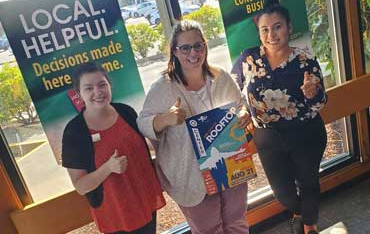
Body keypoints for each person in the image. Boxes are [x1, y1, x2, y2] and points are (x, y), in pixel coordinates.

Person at [137, 20, 250, 234]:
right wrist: (165, 119)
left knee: (236, 221)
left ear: (205, 46)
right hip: (190, 175)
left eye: (198, 45)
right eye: (185, 48)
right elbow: (143, 123)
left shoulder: (220, 77)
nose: (193, 53)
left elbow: (240, 105)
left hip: (229, 164)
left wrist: (243, 114)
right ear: (174, 51)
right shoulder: (163, 86)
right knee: (208, 229)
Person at [231, 0, 328, 234]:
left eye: (277, 27)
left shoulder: (305, 61)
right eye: (264, 29)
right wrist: (242, 108)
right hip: (267, 137)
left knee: (308, 183)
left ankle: (309, 225)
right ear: (259, 32)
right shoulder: (247, 58)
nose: (271, 35)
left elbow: (320, 103)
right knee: (282, 192)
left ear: (289, 27)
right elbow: (232, 92)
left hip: (305, 133)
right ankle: (299, 212)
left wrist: (312, 93)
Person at [61, 63, 165, 234]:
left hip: (144, 199)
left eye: (102, 84)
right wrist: (108, 168)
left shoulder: (126, 112)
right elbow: (81, 186)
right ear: (79, 94)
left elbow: (141, 146)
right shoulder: (75, 132)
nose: (98, 92)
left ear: (110, 85)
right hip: (115, 212)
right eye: (88, 88)